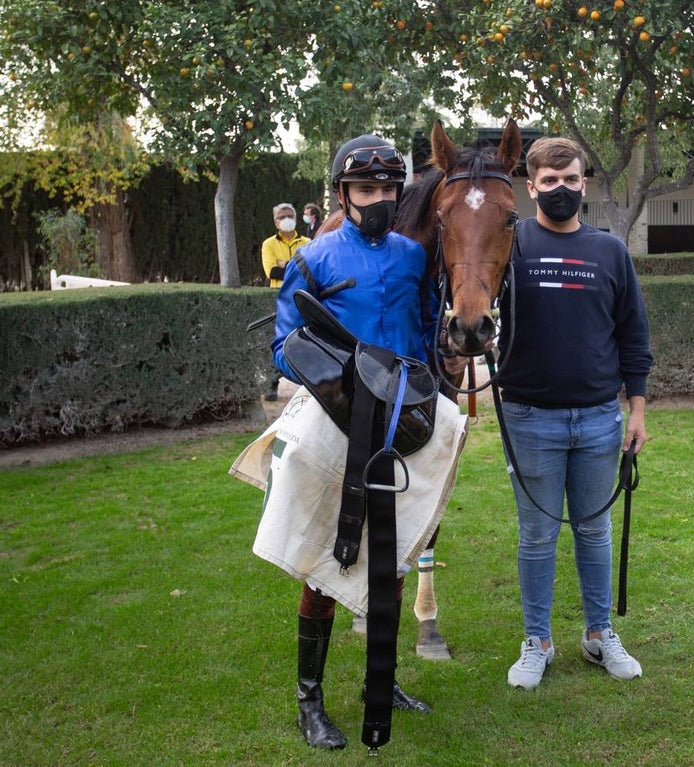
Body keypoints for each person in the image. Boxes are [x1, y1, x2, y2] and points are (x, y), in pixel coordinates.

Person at [267, 134, 467, 750]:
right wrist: (331, 379)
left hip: (405, 424)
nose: (377, 199)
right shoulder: (314, 260)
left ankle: (382, 680)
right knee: (325, 564)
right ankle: (310, 701)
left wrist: (457, 345)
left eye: (387, 189)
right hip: (339, 425)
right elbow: (282, 343)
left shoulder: (414, 257)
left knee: (398, 556)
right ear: (343, 194)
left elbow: (433, 325)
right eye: (364, 189)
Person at [496, 136, 653, 691]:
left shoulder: (609, 251)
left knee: (594, 530)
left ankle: (598, 634)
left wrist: (636, 409)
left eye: (571, 180)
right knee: (537, 535)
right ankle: (536, 640)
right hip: (527, 415)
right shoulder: (509, 245)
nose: (561, 190)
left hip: (597, 418)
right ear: (531, 185)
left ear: (584, 183)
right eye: (549, 181)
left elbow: (633, 335)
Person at [260, 203, 310, 399]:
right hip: (277, 297)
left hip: (303, 298)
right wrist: (295, 266)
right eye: (282, 216)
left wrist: (284, 265)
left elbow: (311, 270)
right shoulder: (269, 244)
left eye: (290, 215)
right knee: (277, 341)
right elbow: (271, 271)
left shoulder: (307, 242)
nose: (286, 219)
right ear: (275, 221)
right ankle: (272, 383)